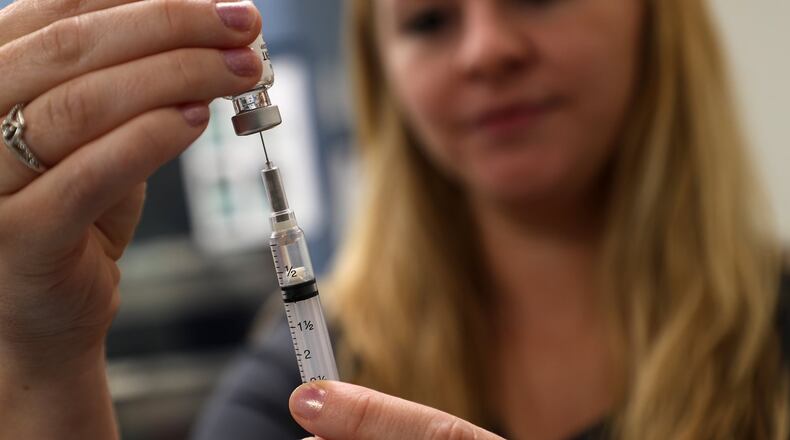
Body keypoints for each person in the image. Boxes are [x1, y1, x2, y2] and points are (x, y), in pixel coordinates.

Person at [0, 0, 787, 438]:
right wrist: (48, 358)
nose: (486, 51)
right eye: (430, 21)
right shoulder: (296, 379)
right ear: (386, 79)